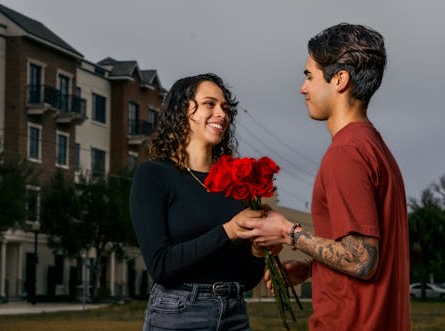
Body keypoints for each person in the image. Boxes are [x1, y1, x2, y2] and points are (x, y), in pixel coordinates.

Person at [236, 23, 411, 330]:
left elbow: (362, 259)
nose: (303, 88)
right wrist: (312, 269)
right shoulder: (373, 147)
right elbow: (369, 255)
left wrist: (288, 232)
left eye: (309, 76)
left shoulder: (346, 153)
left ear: (340, 80)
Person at [130, 73, 266, 331]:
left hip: (235, 313)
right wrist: (229, 231)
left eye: (225, 108)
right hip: (179, 314)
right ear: (183, 111)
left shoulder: (234, 182)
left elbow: (247, 279)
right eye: (210, 104)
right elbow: (161, 265)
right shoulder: (154, 175)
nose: (222, 114)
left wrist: (259, 250)